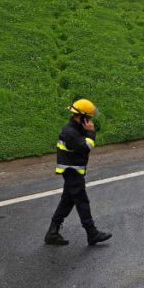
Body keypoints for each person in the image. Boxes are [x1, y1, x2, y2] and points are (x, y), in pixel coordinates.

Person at [45, 99, 112, 246]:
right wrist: (91, 132)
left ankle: (52, 232)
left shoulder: (75, 128)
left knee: (67, 201)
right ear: (80, 117)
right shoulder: (70, 132)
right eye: (87, 117)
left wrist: (87, 130)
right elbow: (86, 147)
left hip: (72, 170)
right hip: (72, 171)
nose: (89, 120)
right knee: (82, 201)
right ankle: (92, 233)